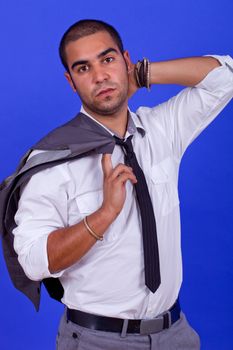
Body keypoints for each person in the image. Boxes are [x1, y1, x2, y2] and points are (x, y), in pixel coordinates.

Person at [10, 19, 233, 349]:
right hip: (96, 340)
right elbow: (33, 261)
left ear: (126, 60)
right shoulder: (51, 162)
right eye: (83, 68)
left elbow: (224, 78)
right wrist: (103, 215)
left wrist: (144, 76)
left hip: (176, 334)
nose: (100, 76)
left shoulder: (160, 130)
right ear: (71, 82)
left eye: (108, 59)